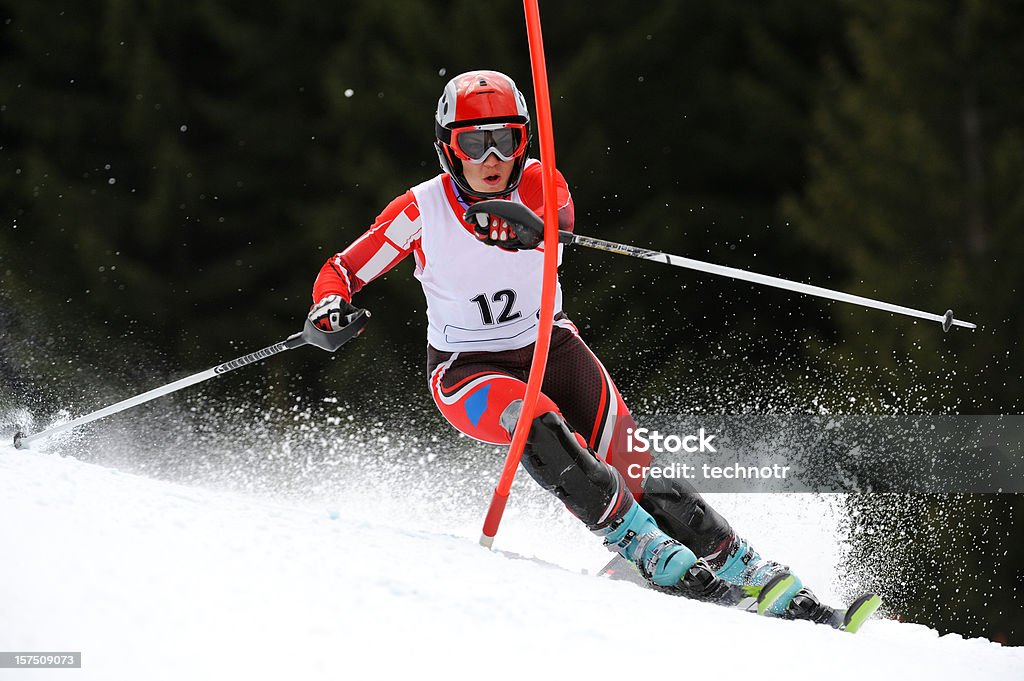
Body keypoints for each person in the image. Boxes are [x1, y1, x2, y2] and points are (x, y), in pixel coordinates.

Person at [307, 69, 840, 621]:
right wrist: (328, 306)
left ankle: (746, 568)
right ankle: (636, 545)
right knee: (532, 418)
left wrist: (533, 228)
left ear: (522, 143)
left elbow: (557, 217)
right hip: (467, 369)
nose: (491, 157)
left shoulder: (540, 180)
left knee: (634, 464)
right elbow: (341, 269)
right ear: (448, 148)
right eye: (473, 142)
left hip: (552, 346)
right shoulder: (420, 211)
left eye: (505, 140)